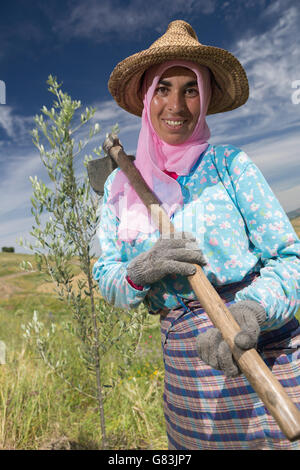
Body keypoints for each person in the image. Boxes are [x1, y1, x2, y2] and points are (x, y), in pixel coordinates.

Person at [92, 20, 300, 450]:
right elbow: (104, 273)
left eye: (191, 89)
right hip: (190, 376)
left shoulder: (229, 165)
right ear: (147, 98)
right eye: (163, 88)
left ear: (204, 98)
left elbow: (289, 257)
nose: (177, 105)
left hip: (268, 349)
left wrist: (255, 311)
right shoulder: (120, 188)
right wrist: (140, 270)